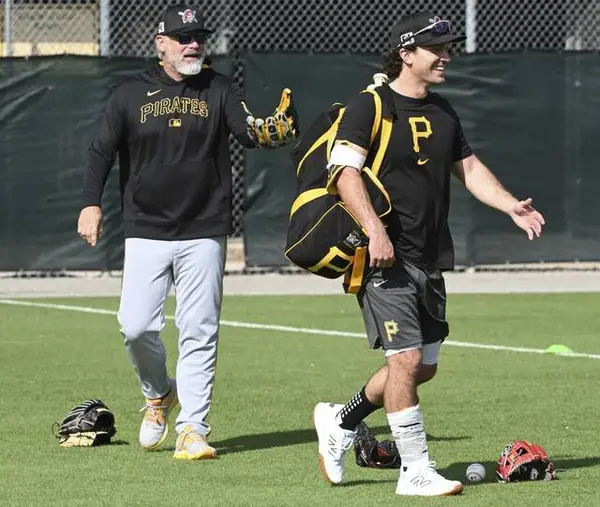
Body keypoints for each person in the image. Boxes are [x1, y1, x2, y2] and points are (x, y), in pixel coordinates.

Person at [312, 11, 545, 496]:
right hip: (383, 259)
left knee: (424, 367)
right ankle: (415, 470)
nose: (446, 56)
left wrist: (509, 205)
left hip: (430, 256)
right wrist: (375, 231)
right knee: (405, 359)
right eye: (435, 49)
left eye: (447, 47)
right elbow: (343, 174)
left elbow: (470, 168)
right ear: (405, 54)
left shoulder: (443, 110)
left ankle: (341, 420)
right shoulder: (370, 105)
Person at [77, 3, 297, 461]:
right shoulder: (129, 93)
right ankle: (159, 393)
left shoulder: (219, 88)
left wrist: (270, 131)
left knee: (199, 329)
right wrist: (90, 202)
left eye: (199, 36)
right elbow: (101, 150)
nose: (193, 44)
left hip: (204, 226)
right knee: (135, 326)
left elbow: (247, 131)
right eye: (183, 37)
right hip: (146, 227)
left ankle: (193, 428)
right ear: (161, 44)